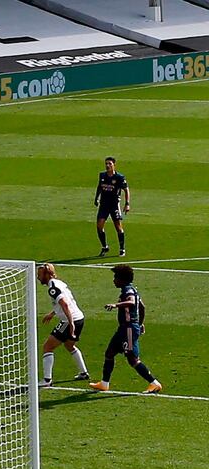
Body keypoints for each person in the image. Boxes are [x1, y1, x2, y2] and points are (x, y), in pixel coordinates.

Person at [89, 265, 162, 394]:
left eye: (115, 277)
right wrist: (140, 323)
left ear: (122, 279)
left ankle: (154, 383)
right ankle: (104, 384)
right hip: (124, 328)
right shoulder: (130, 289)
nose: (114, 280)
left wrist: (115, 305)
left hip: (128, 328)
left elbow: (132, 302)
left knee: (132, 359)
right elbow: (142, 307)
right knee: (109, 353)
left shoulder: (128, 290)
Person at [36, 263, 89, 388]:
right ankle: (83, 373)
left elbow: (65, 304)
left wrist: (70, 324)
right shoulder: (60, 283)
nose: (38, 278)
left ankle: (47, 380)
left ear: (47, 275)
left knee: (47, 347)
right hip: (79, 318)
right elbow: (67, 301)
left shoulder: (52, 288)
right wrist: (52, 313)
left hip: (69, 321)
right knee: (69, 345)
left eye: (40, 275)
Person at [94, 156, 131, 257]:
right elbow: (99, 187)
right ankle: (105, 246)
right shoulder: (102, 175)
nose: (107, 166)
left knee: (118, 227)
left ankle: (122, 248)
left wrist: (127, 204)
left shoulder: (119, 177)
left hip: (114, 205)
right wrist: (96, 198)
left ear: (114, 165)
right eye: (106, 164)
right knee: (99, 225)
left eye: (110, 164)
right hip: (104, 205)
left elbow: (126, 189)